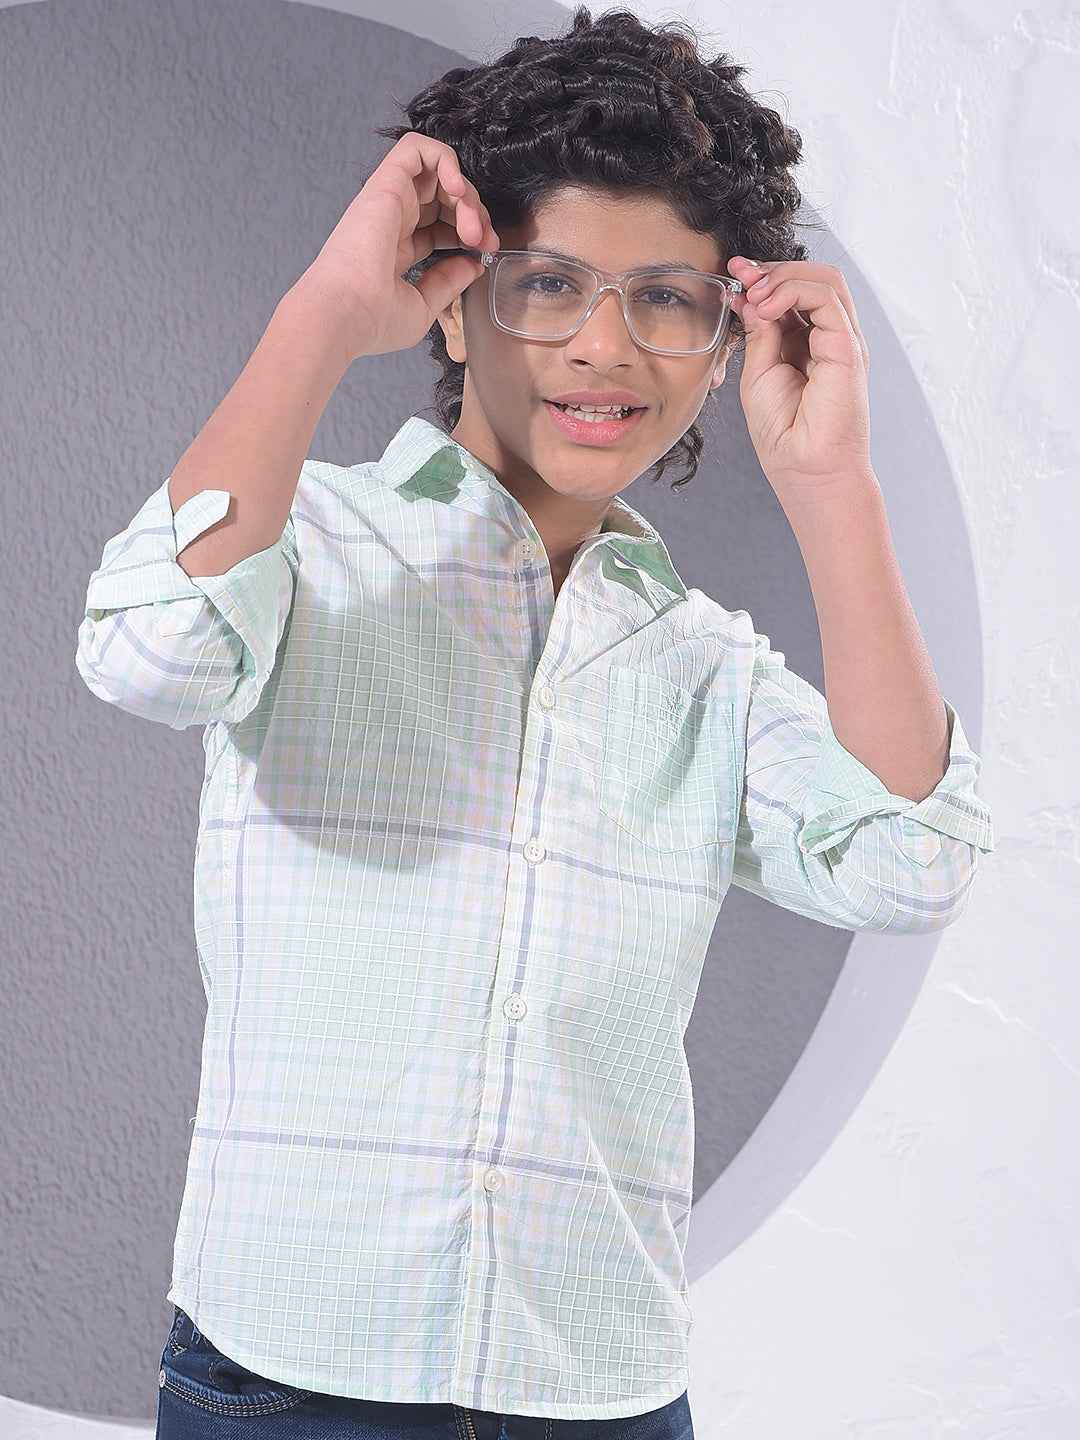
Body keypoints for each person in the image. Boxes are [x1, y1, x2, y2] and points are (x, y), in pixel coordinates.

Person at [75, 6, 995, 1437]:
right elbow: (149, 653)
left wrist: (833, 486)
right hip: (289, 1377)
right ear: (451, 297)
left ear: (721, 341)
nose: (605, 347)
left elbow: (911, 865)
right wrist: (323, 314)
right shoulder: (304, 545)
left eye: (666, 298)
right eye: (550, 283)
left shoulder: (706, 666)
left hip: (599, 1392)